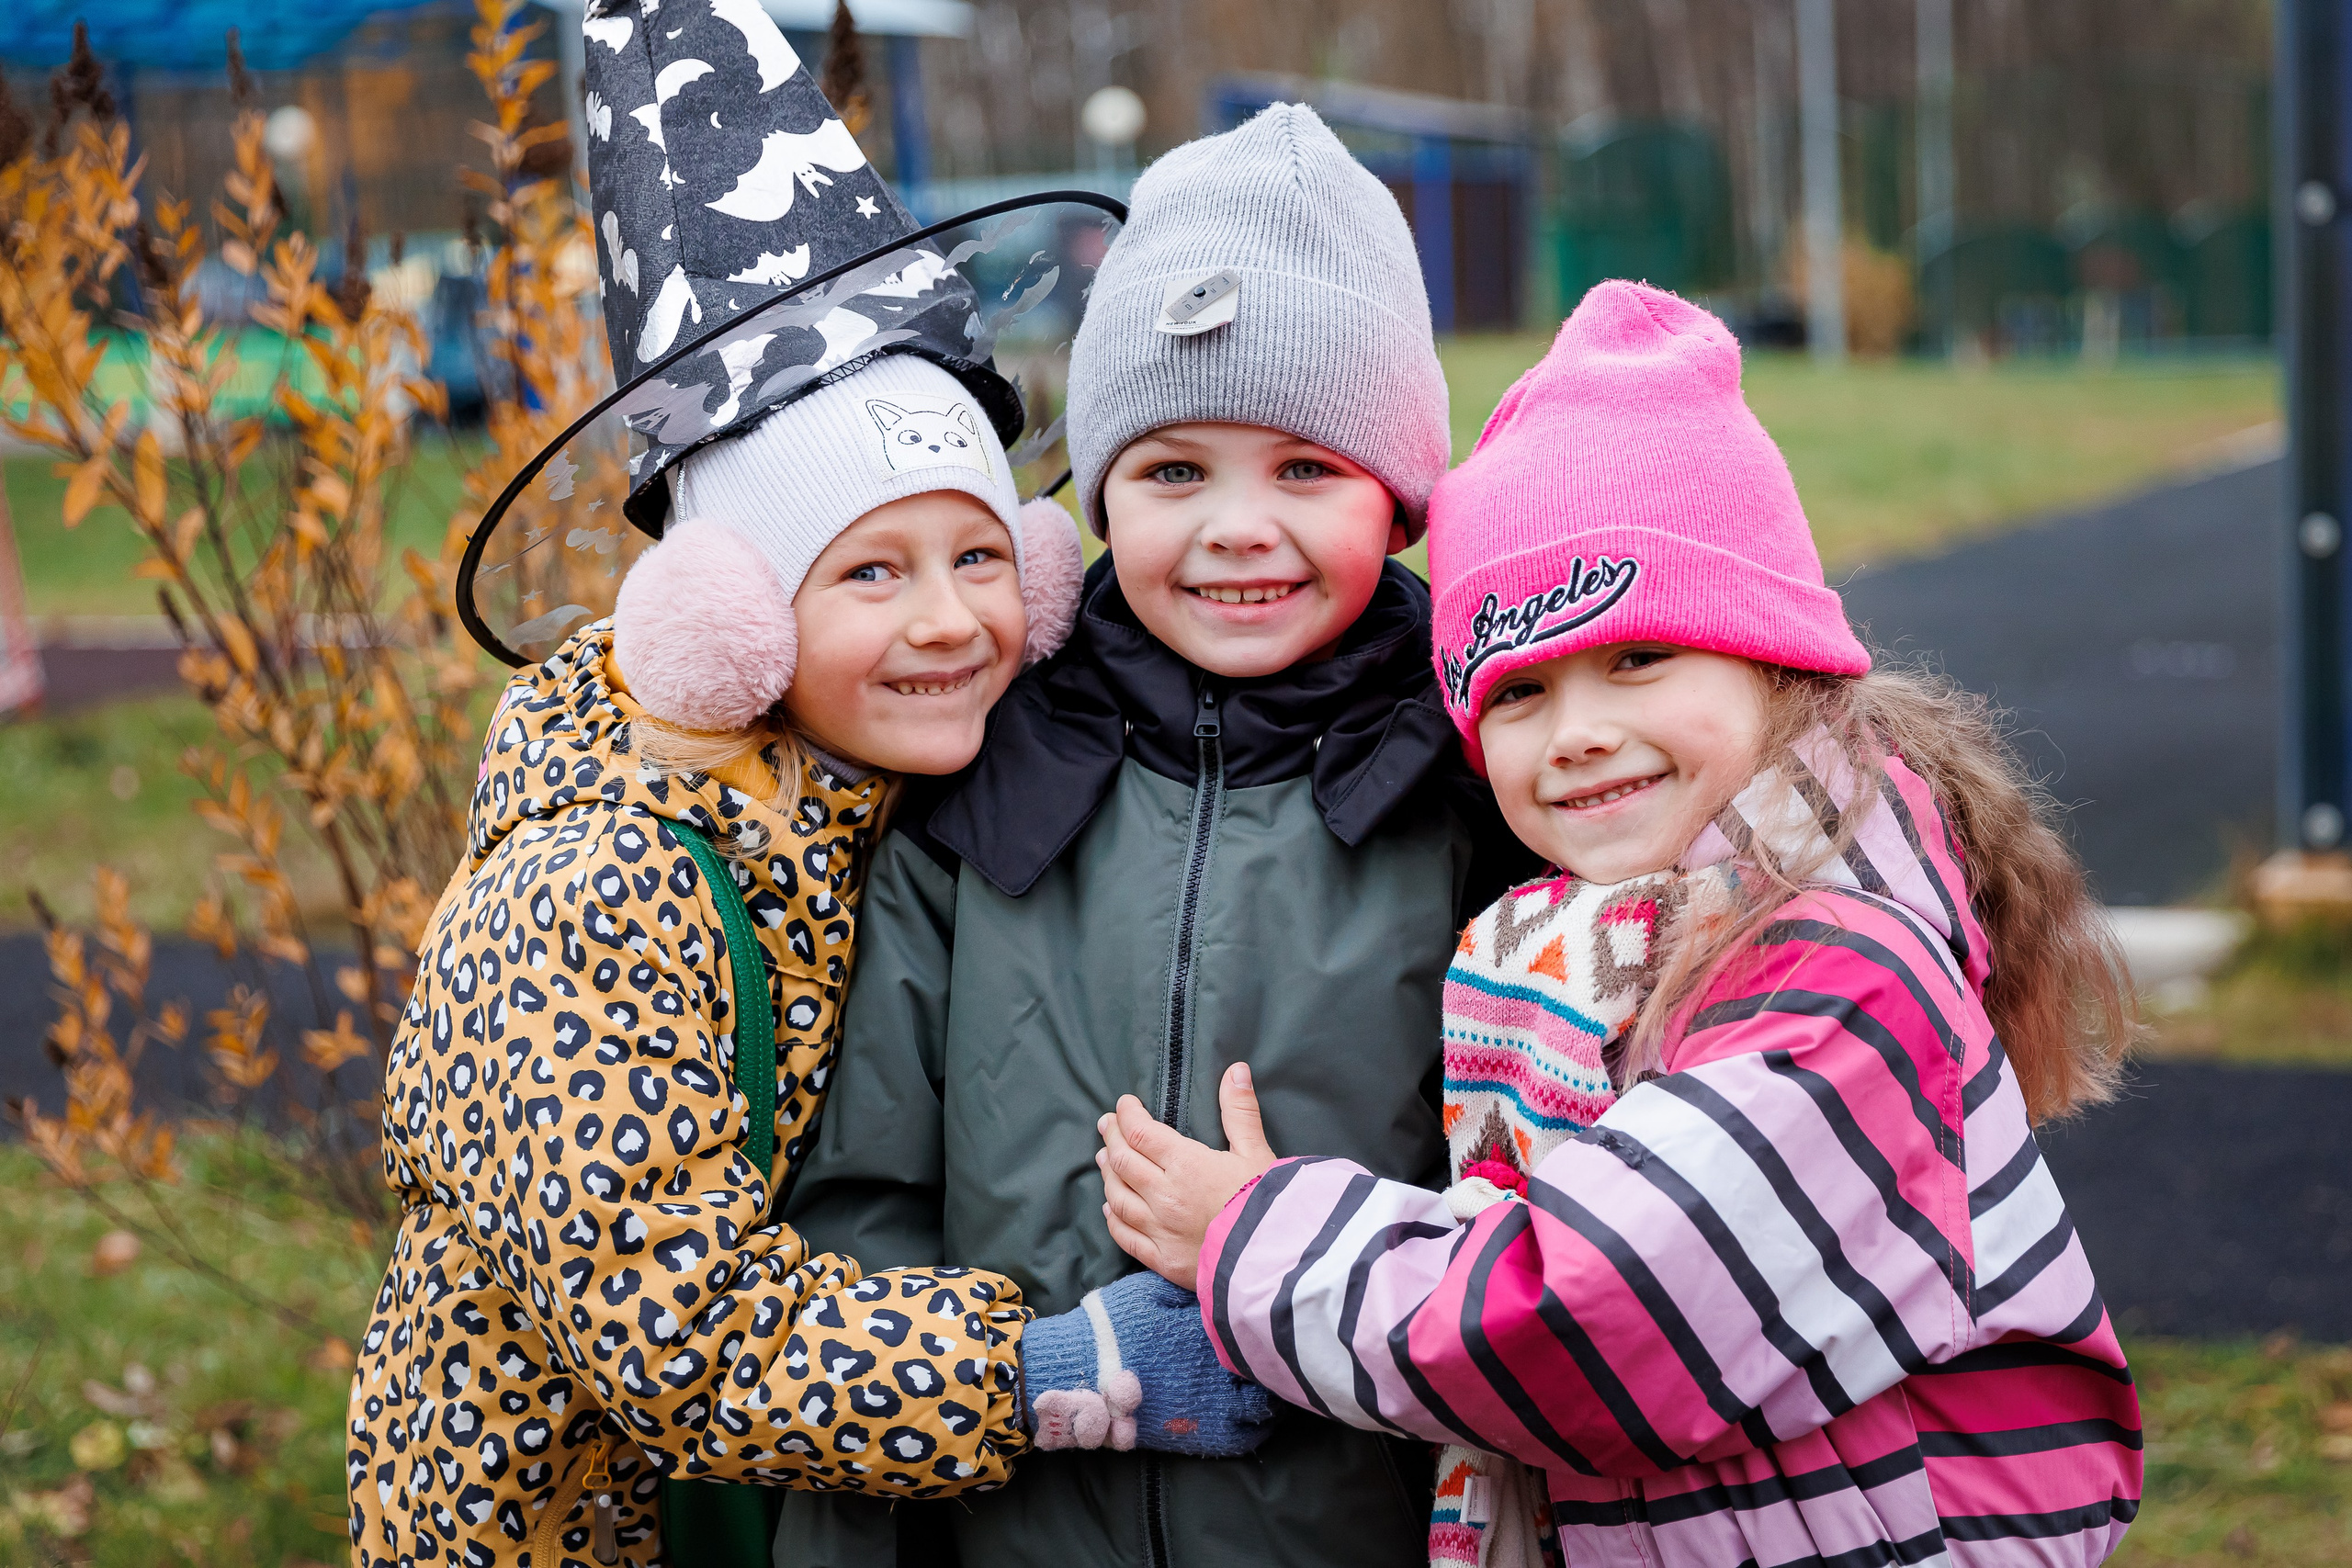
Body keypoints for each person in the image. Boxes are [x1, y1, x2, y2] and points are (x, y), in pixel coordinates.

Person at [345, 5, 1255, 1565]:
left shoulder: (867, 796)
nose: (951, 621)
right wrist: (1055, 1371)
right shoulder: (590, 892)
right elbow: (677, 1336)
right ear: (732, 623)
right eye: (871, 572)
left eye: (981, 555)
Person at [1096, 281, 2145, 1568]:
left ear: (1774, 662)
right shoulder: (1633, 934)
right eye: (1519, 689)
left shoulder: (1833, 972)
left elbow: (1593, 1323)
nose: (1580, 730)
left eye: (1639, 658)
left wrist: (1253, 1237)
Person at [776, 104, 1537, 1567]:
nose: (1237, 527)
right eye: (1175, 471)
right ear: (1100, 492)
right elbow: (866, 1209)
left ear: (1401, 500)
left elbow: (1548, 1230)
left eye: (1305, 469)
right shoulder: (990, 775)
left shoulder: (1472, 793)